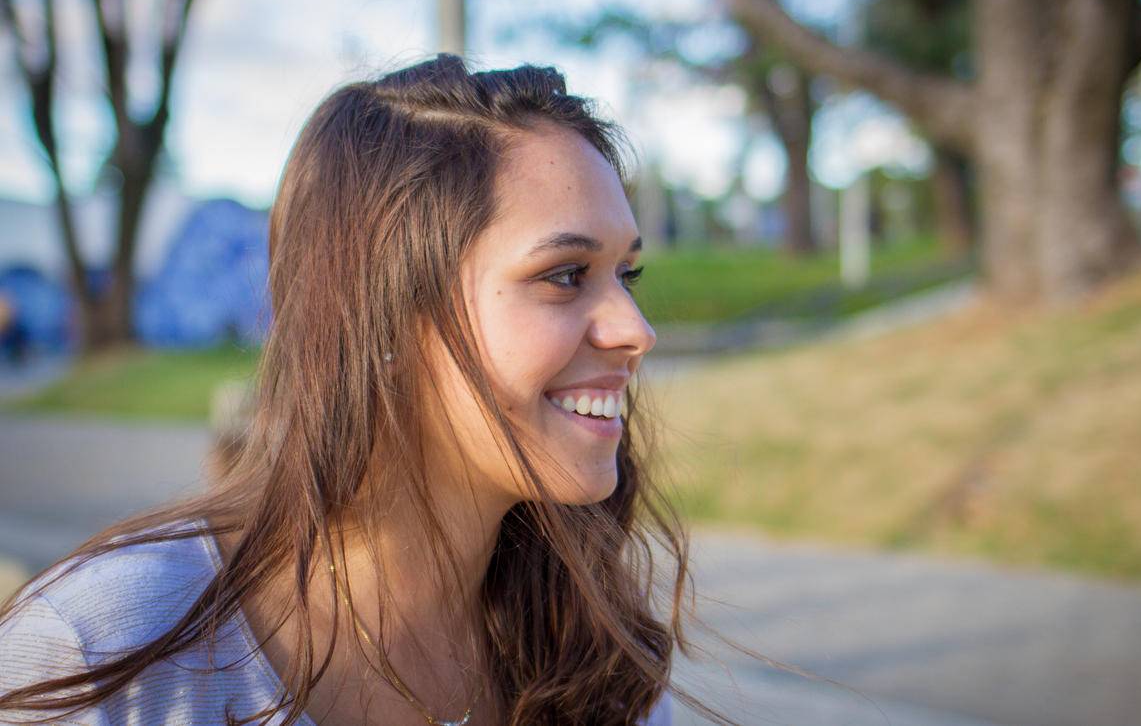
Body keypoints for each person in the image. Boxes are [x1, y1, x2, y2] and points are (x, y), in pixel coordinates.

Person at [0, 56, 714, 725]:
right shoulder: (103, 658)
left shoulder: (592, 654)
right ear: (379, 314)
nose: (635, 330)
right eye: (564, 275)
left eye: (627, 274)